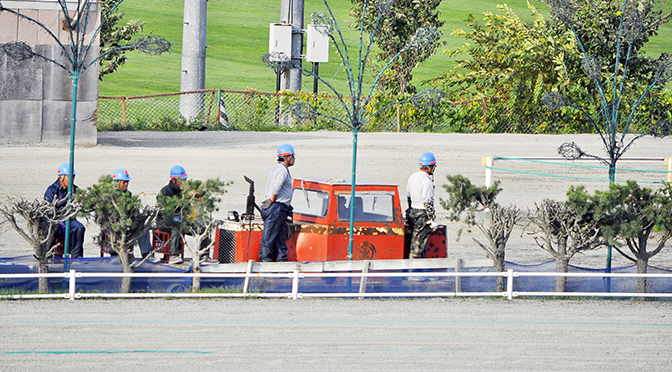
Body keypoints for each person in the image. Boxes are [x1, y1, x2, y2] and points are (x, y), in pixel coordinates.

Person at [156, 165, 211, 264]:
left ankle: (204, 254)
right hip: (164, 222)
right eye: (181, 180)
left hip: (182, 220)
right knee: (177, 226)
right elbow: (161, 210)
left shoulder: (184, 192)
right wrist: (174, 215)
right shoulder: (164, 191)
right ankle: (174, 255)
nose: (183, 182)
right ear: (173, 180)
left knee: (202, 226)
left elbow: (188, 208)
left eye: (185, 180)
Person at [259, 144, 295, 262]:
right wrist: (272, 200)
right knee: (269, 238)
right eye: (293, 157)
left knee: (279, 238)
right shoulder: (282, 170)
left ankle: (281, 262)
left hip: (279, 208)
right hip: (276, 207)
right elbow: (276, 186)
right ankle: (265, 263)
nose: (294, 159)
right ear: (287, 157)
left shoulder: (278, 168)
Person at [110, 168, 154, 261]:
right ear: (116, 183)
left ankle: (147, 255)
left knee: (143, 229)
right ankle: (117, 254)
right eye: (124, 182)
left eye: (127, 182)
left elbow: (134, 212)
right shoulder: (109, 196)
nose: (126, 184)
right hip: (114, 225)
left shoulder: (128, 195)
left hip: (128, 223)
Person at [44, 162, 86, 258]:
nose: (72, 179)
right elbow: (48, 209)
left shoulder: (75, 190)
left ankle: (77, 256)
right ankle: (48, 255)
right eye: (69, 177)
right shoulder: (51, 190)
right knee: (50, 228)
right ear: (60, 177)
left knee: (79, 228)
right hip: (56, 220)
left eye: (73, 177)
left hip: (70, 220)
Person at [405, 152, 438, 259]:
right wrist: (432, 219)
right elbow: (428, 201)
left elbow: (408, 197)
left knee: (416, 241)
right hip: (422, 213)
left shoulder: (412, 177)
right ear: (429, 167)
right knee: (418, 245)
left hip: (413, 211)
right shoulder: (426, 181)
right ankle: (413, 269)